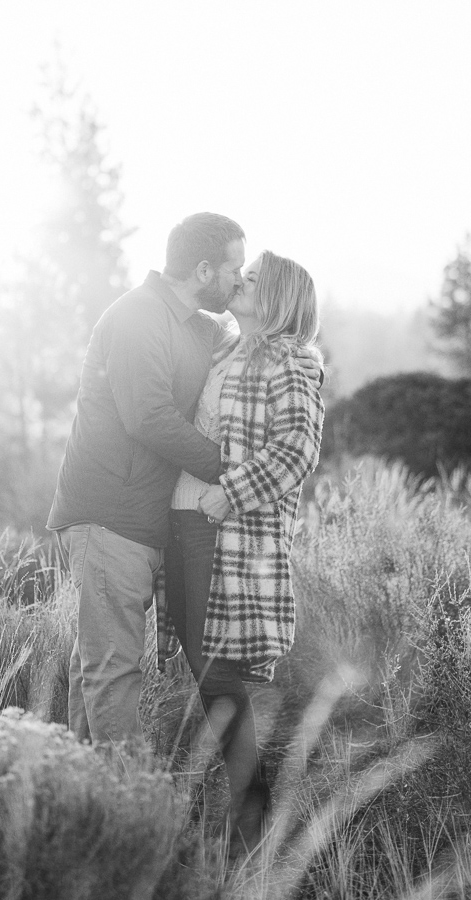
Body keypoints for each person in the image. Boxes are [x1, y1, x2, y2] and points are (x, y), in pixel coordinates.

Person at [48, 213, 322, 745]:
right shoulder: (138, 318)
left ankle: (85, 791)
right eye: (234, 269)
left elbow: (290, 437)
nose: (238, 279)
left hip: (156, 524)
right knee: (113, 667)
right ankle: (117, 802)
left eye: (249, 274)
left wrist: (292, 358)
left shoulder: (203, 330)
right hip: (110, 516)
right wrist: (229, 474)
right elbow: (148, 416)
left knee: (101, 665)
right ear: (202, 270)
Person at [163, 250, 324, 854]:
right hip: (184, 523)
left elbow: (298, 449)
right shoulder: (224, 349)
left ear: (278, 296)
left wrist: (229, 496)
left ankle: (251, 822)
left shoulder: (291, 360)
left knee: (219, 672)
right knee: (205, 668)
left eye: (253, 278)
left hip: (226, 531)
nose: (240, 281)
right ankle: (242, 810)